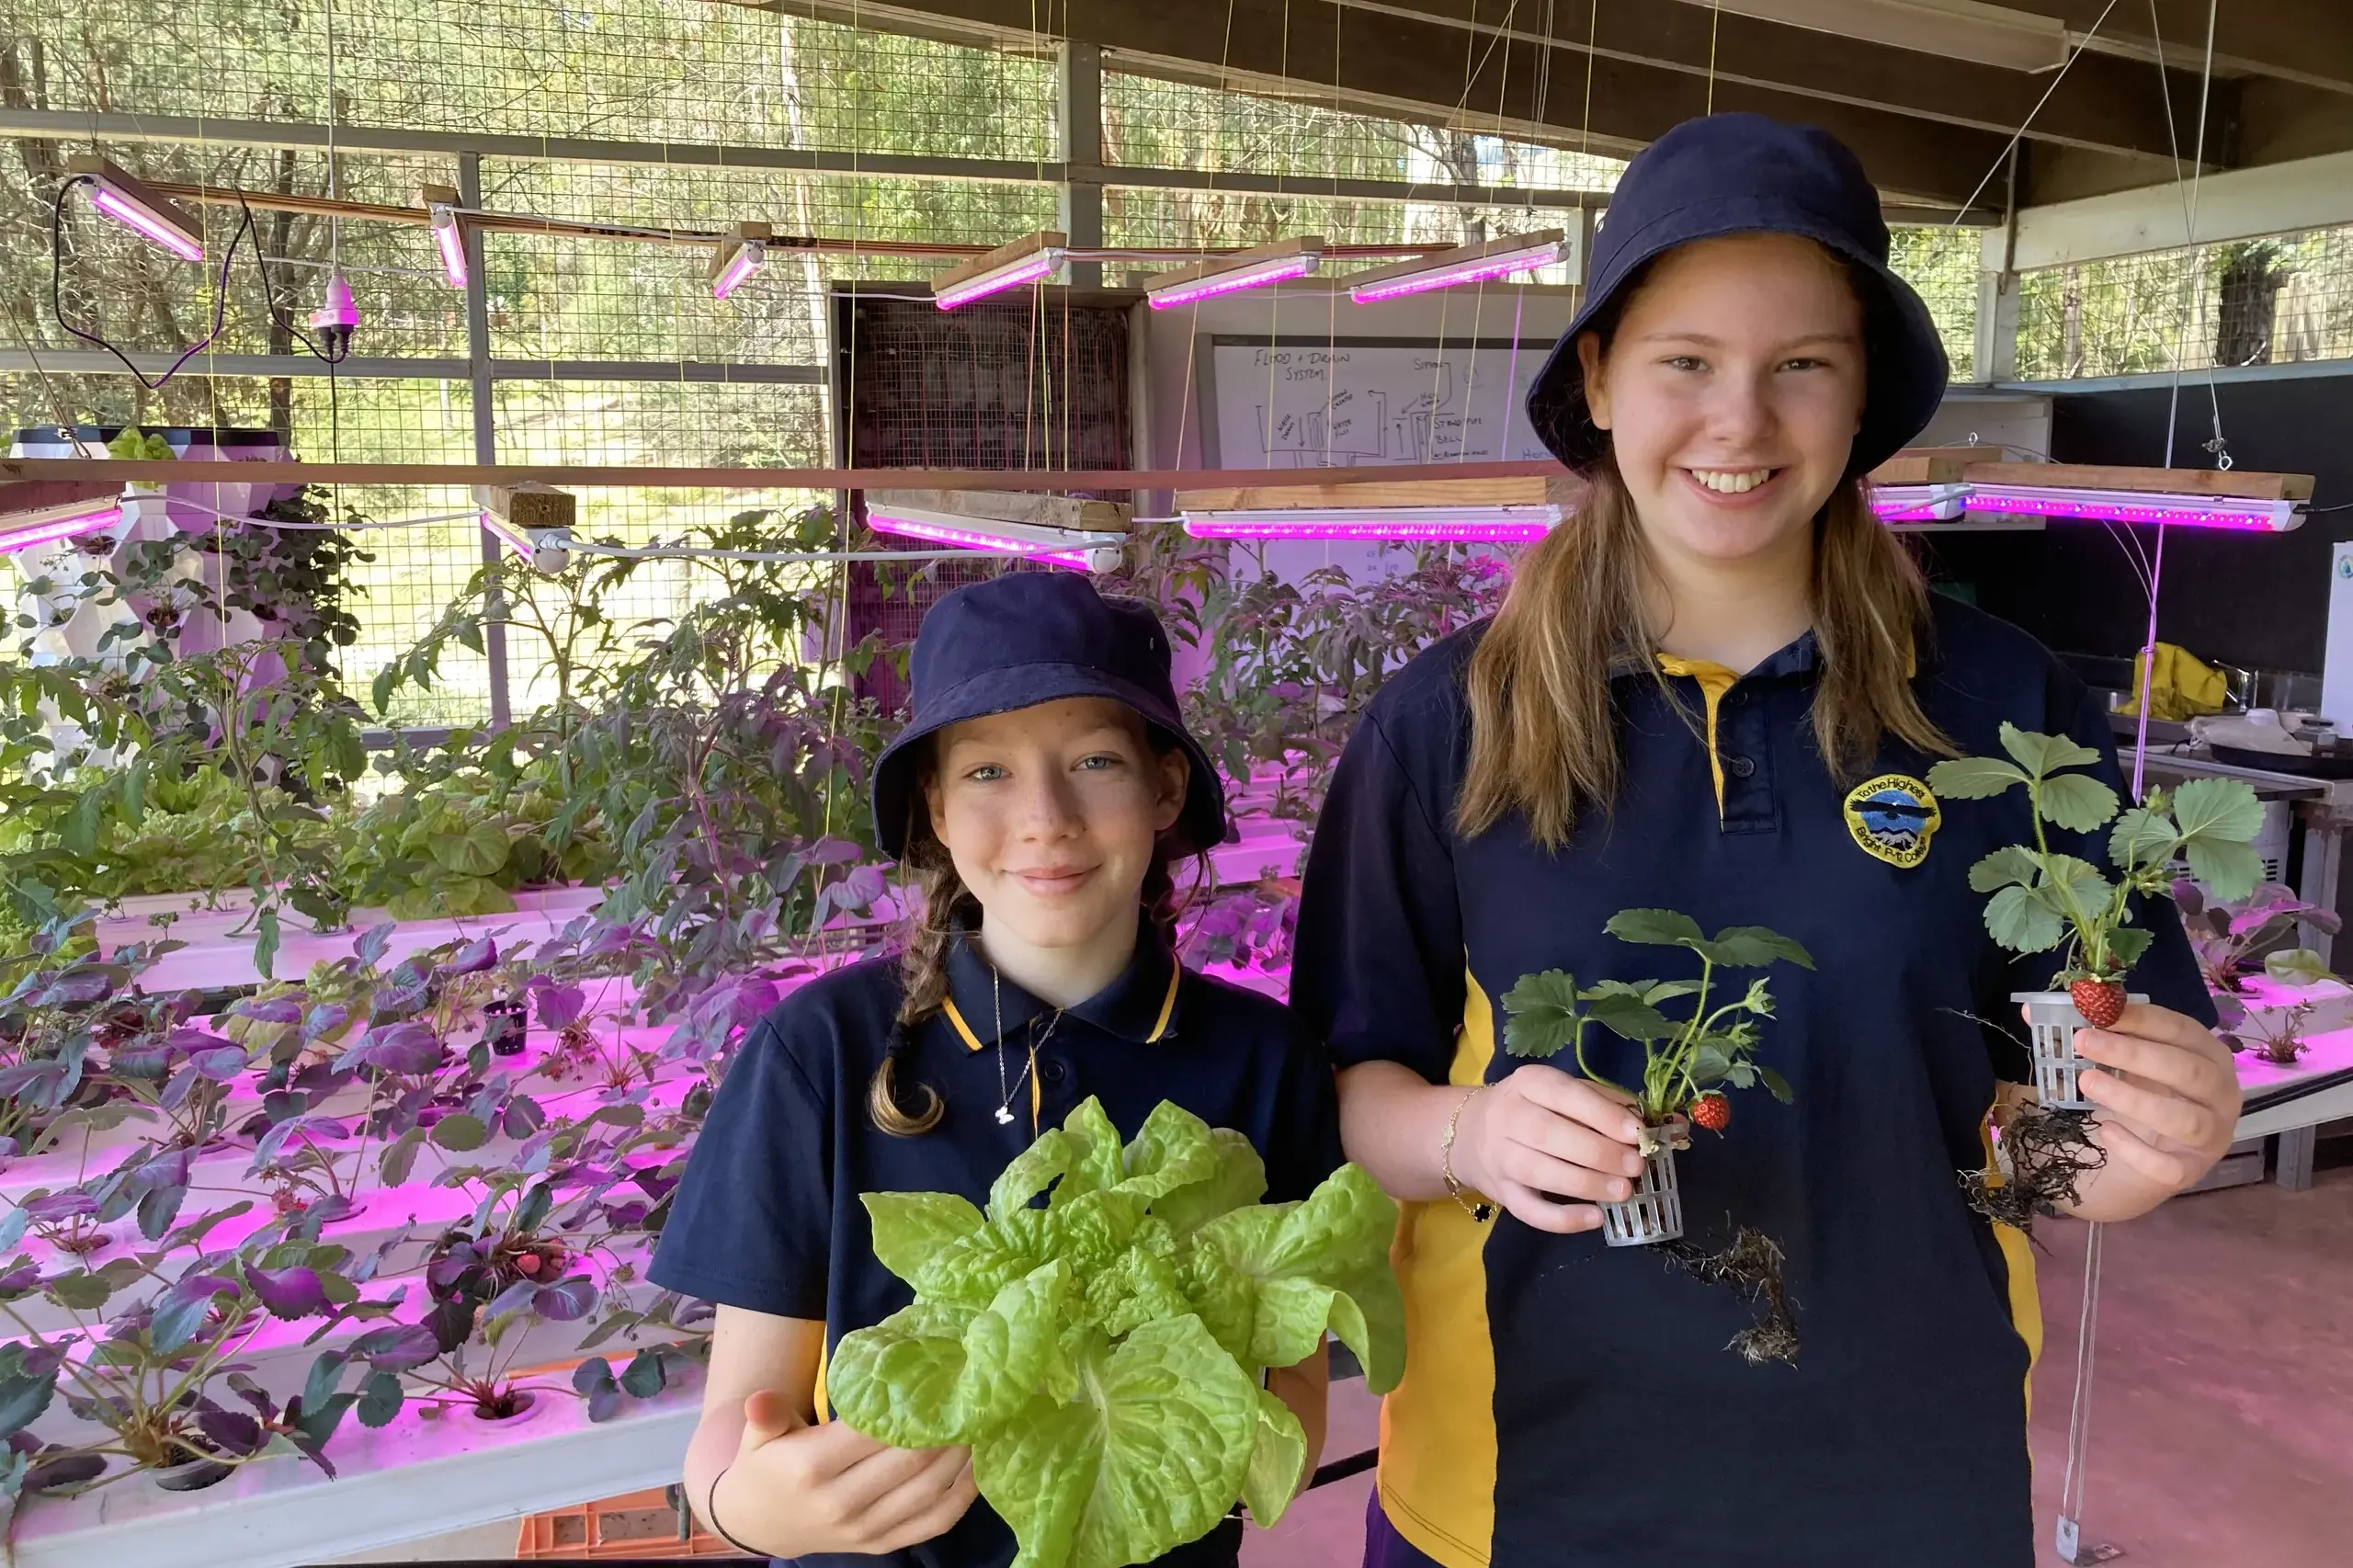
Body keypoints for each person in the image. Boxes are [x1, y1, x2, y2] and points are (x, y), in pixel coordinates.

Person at [1290, 113, 2242, 1568]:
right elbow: (1354, 1087)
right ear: (1599, 378)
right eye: (1687, 361)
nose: (1741, 423)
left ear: (1860, 398)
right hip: (1524, 1491)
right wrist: (1469, 1129)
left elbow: (2014, 1139)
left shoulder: (1999, 706)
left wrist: (2144, 1144)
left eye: (1801, 364)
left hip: (1901, 1485)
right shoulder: (1447, 723)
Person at [650, 572, 1342, 1568]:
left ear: (1165, 787)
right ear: (933, 806)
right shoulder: (822, 1051)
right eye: (986, 772)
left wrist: (1151, 1394)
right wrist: (751, 1503)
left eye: (1096, 760)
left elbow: (1296, 1408)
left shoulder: (1265, 1061)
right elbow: (730, 1426)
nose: (1045, 816)